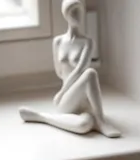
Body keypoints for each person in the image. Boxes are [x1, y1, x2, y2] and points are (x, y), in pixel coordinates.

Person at [19, 0, 120, 138]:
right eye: (74, 12)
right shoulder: (58, 42)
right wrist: (63, 93)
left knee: (84, 125)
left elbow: (79, 70)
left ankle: (98, 120)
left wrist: (62, 91)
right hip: (67, 99)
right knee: (90, 74)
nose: (78, 16)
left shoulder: (87, 42)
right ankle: (41, 117)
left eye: (80, 12)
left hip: (83, 100)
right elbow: (60, 72)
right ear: (65, 14)